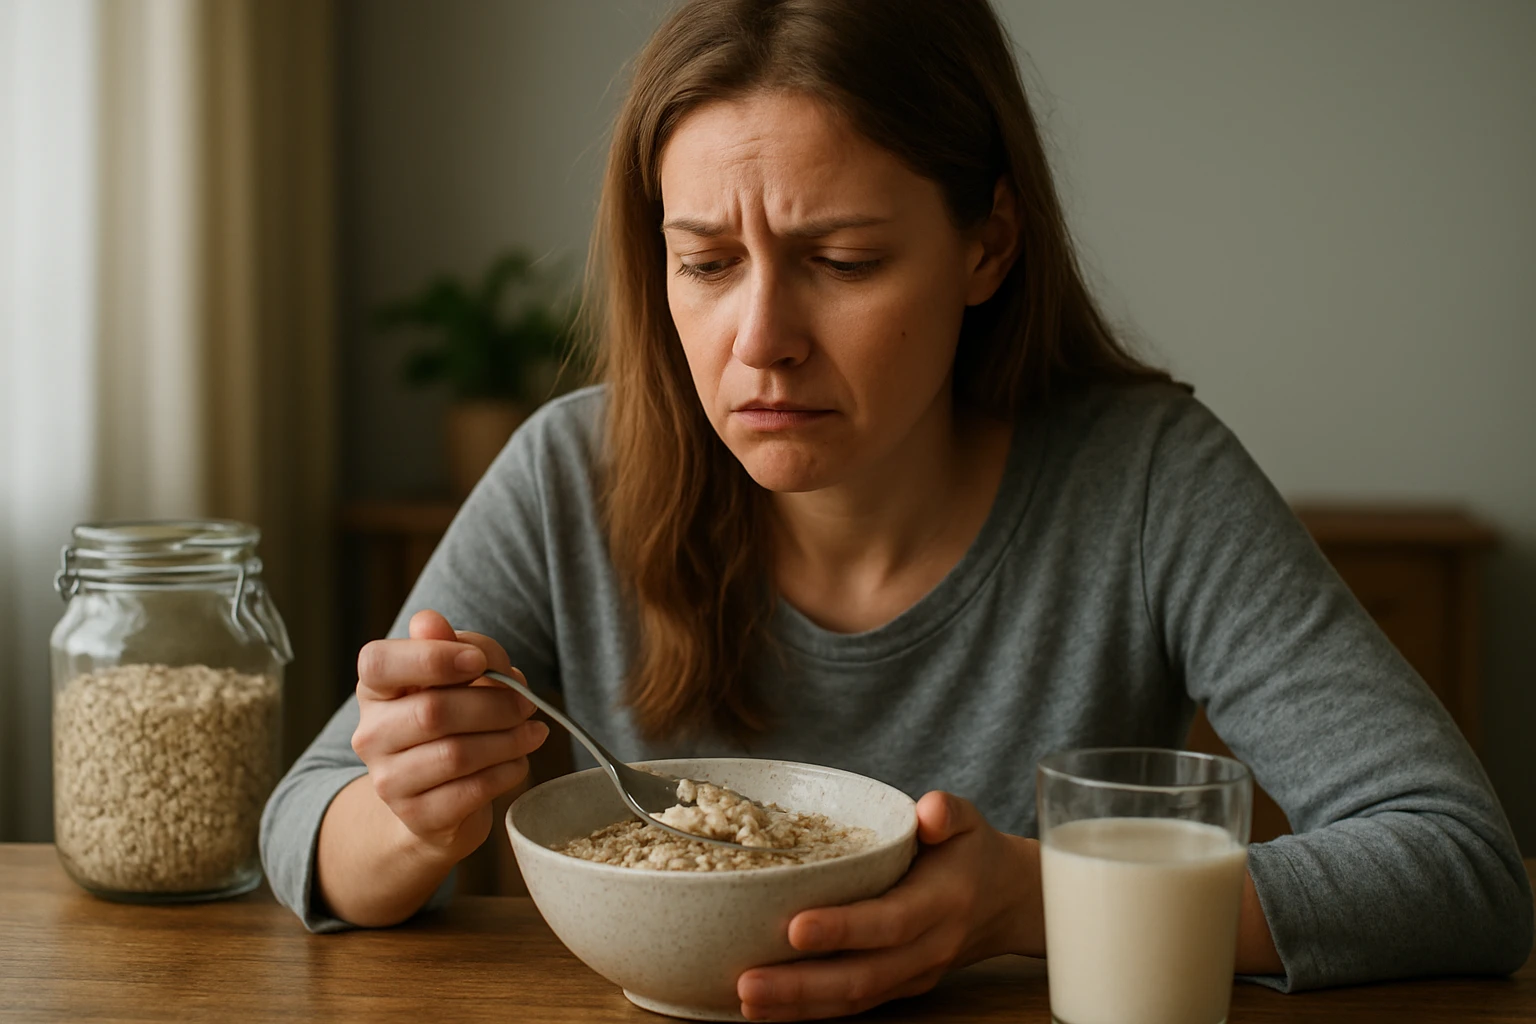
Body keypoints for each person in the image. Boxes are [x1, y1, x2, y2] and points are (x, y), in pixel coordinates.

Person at [261, 0, 1533, 1019]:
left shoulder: (1146, 479)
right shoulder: (568, 472)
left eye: (843, 261)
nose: (761, 342)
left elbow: (1461, 872)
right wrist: (407, 813)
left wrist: (1028, 899)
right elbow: (304, 831)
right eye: (705, 263)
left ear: (988, 244)